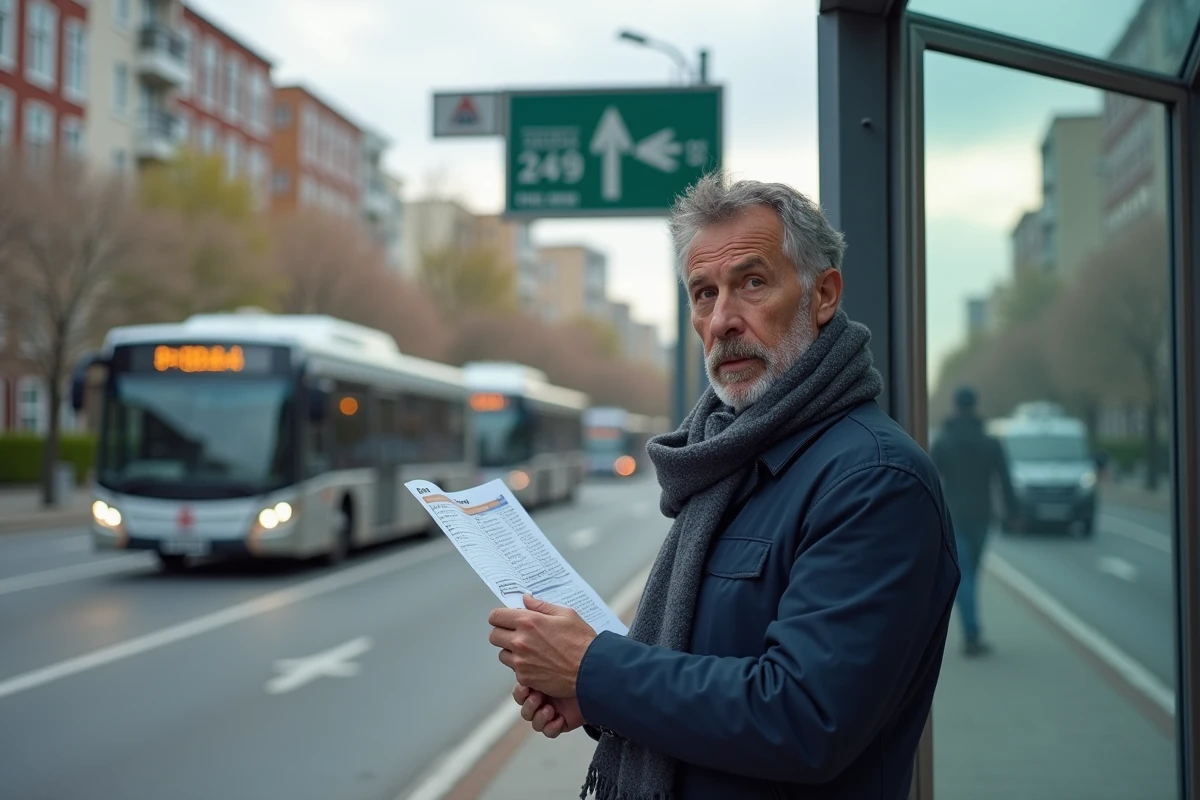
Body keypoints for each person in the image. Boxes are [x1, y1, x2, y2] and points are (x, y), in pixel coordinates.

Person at [487, 174, 961, 800]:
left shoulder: (874, 479)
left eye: (752, 283)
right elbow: (712, 669)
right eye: (703, 294)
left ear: (823, 294)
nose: (722, 321)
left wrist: (595, 666)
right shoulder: (725, 462)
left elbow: (803, 718)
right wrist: (593, 699)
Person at [930, 386, 1016, 656]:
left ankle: (971, 632)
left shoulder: (943, 441)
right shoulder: (990, 442)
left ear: (955, 405)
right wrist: (1013, 514)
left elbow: (931, 480)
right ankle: (972, 633)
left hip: (954, 515)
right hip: (982, 515)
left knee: (964, 574)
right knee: (971, 574)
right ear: (975, 405)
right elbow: (1005, 481)